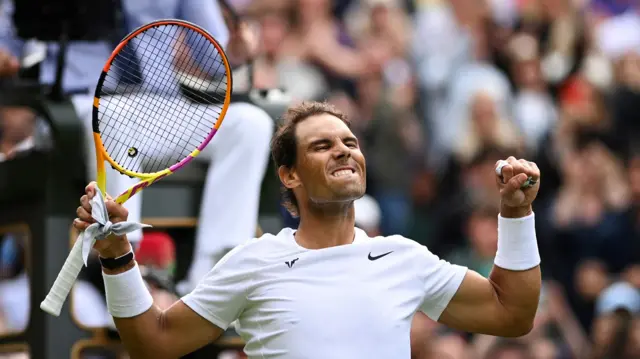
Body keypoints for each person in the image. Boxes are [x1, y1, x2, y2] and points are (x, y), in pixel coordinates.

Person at [74, 101, 542, 358]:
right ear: (290, 175)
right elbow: (152, 343)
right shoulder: (253, 262)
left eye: (350, 142)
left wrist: (516, 216)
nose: (343, 151)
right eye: (322, 145)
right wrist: (117, 255)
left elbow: (512, 314)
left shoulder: (404, 257)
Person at [0, 0, 273, 250]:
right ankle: (125, 260)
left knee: (251, 125)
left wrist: (236, 51)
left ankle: (217, 274)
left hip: (159, 107)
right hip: (78, 105)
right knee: (113, 115)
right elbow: (6, 46)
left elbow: (214, 60)